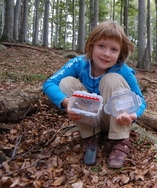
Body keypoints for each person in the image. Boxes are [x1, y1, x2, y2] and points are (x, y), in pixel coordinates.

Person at [43, 21, 147, 168]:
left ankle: (121, 140)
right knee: (66, 82)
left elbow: (140, 99)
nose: (106, 53)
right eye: (101, 46)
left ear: (120, 54)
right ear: (91, 45)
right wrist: (68, 103)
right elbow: (49, 84)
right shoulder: (79, 63)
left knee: (111, 79)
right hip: (90, 118)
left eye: (114, 49)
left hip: (115, 117)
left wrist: (133, 115)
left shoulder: (123, 70)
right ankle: (91, 136)